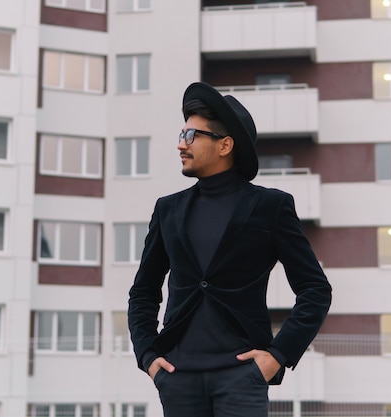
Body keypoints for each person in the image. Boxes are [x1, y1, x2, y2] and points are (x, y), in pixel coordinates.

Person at [127, 81, 332, 417]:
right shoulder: (168, 210)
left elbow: (315, 290)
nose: (181, 144)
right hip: (178, 378)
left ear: (224, 145)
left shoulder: (271, 206)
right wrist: (149, 358)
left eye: (192, 136)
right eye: (181, 134)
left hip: (242, 378)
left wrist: (277, 356)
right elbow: (144, 293)